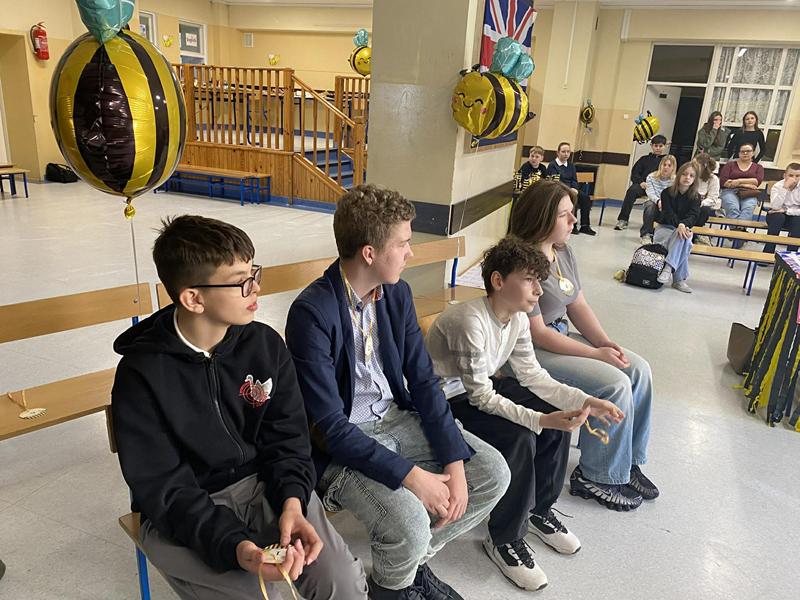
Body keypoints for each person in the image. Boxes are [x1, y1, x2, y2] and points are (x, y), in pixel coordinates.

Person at [111, 216, 369, 600]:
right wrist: (236, 547)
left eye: (253, 273)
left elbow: (288, 440)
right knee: (263, 594)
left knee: (342, 583)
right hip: (186, 510)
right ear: (193, 298)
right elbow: (164, 488)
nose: (255, 288)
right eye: (240, 281)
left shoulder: (264, 345)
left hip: (265, 485)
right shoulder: (141, 374)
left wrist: (293, 502)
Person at [285, 184, 510, 600]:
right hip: (343, 443)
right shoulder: (311, 313)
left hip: (394, 417)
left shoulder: (397, 294)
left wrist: (454, 461)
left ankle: (407, 570)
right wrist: (414, 478)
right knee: (409, 521)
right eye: (403, 243)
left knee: (493, 473)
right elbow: (330, 427)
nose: (410, 253)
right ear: (369, 253)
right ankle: (394, 588)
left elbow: (423, 382)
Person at [425, 236, 622, 591]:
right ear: (498, 281)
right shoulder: (469, 321)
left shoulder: (516, 319)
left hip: (480, 390)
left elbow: (533, 376)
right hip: (445, 402)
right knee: (519, 436)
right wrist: (539, 421)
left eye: (539, 280)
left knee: (558, 412)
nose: (538, 290)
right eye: (529, 280)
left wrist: (585, 401)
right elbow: (480, 397)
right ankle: (504, 538)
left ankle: (538, 510)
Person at [509, 180, 657, 512]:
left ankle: (628, 461)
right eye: (565, 215)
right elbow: (537, 334)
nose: (574, 220)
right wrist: (595, 354)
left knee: (637, 369)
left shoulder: (562, 251)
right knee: (613, 383)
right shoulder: (521, 261)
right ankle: (597, 475)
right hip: (531, 348)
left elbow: (578, 304)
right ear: (542, 218)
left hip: (560, 336)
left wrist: (605, 343)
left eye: (572, 213)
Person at [654, 162, 702, 293]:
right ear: (679, 175)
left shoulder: (696, 197)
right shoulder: (666, 193)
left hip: (683, 229)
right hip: (665, 228)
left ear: (694, 179)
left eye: (691, 175)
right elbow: (668, 214)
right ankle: (678, 280)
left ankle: (668, 267)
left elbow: (693, 216)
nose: (687, 177)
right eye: (685, 174)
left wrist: (682, 225)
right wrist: (680, 225)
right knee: (685, 240)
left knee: (683, 237)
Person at [614, 134, 668, 230]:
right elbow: (635, 173)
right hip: (644, 186)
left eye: (660, 146)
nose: (658, 148)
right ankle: (623, 219)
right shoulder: (644, 159)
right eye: (656, 146)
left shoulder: (667, 162)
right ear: (651, 146)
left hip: (658, 188)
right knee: (632, 190)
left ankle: (657, 223)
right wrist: (640, 182)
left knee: (665, 198)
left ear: (665, 146)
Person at [545, 142, 596, 236]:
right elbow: (555, 181)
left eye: (568, 152)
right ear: (558, 152)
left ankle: (585, 226)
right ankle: (573, 225)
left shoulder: (571, 165)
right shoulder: (553, 165)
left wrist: (575, 188)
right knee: (572, 198)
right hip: (560, 190)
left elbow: (574, 180)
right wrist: (569, 190)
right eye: (563, 151)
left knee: (585, 198)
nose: (566, 154)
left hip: (571, 189)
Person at [719, 143, 765, 227]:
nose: (745, 153)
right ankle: (739, 232)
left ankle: (737, 232)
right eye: (742, 151)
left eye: (748, 151)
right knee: (733, 208)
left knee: (748, 208)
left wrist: (739, 181)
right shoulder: (730, 165)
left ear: (753, 153)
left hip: (749, 192)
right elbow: (723, 182)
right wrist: (747, 184)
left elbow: (757, 181)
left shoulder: (758, 167)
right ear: (739, 153)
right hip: (729, 191)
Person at [763, 163, 800, 255]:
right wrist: (785, 188)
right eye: (790, 175)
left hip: (794, 217)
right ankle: (768, 253)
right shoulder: (778, 186)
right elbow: (775, 207)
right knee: (778, 217)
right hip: (776, 216)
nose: (794, 179)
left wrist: (786, 211)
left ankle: (791, 255)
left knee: (798, 221)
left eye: (797, 176)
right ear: (784, 175)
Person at [639, 155, 677, 245]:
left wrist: (665, 203)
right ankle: (646, 234)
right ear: (661, 165)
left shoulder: (675, 180)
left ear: (673, 168)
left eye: (669, 165)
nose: (666, 167)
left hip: (667, 206)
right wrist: (658, 201)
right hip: (654, 203)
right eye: (664, 165)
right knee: (649, 205)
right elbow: (650, 193)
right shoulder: (651, 177)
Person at [692, 153, 721, 245]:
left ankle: (695, 234)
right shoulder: (690, 175)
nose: (692, 167)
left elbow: (712, 199)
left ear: (703, 166)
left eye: (695, 165)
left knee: (705, 210)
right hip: (688, 203)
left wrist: (700, 203)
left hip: (701, 205)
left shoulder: (713, 179)